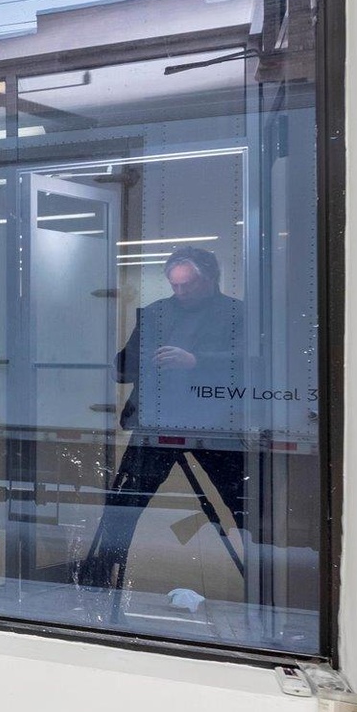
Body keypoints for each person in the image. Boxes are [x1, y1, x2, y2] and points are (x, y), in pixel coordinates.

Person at [78, 246, 247, 590]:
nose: (180, 292)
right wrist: (138, 358)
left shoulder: (237, 314)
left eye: (189, 285)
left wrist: (196, 362)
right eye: (175, 285)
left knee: (243, 503)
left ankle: (266, 579)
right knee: (125, 506)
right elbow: (122, 369)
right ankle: (103, 572)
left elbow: (251, 364)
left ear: (211, 279)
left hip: (215, 425)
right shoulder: (157, 313)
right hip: (156, 422)